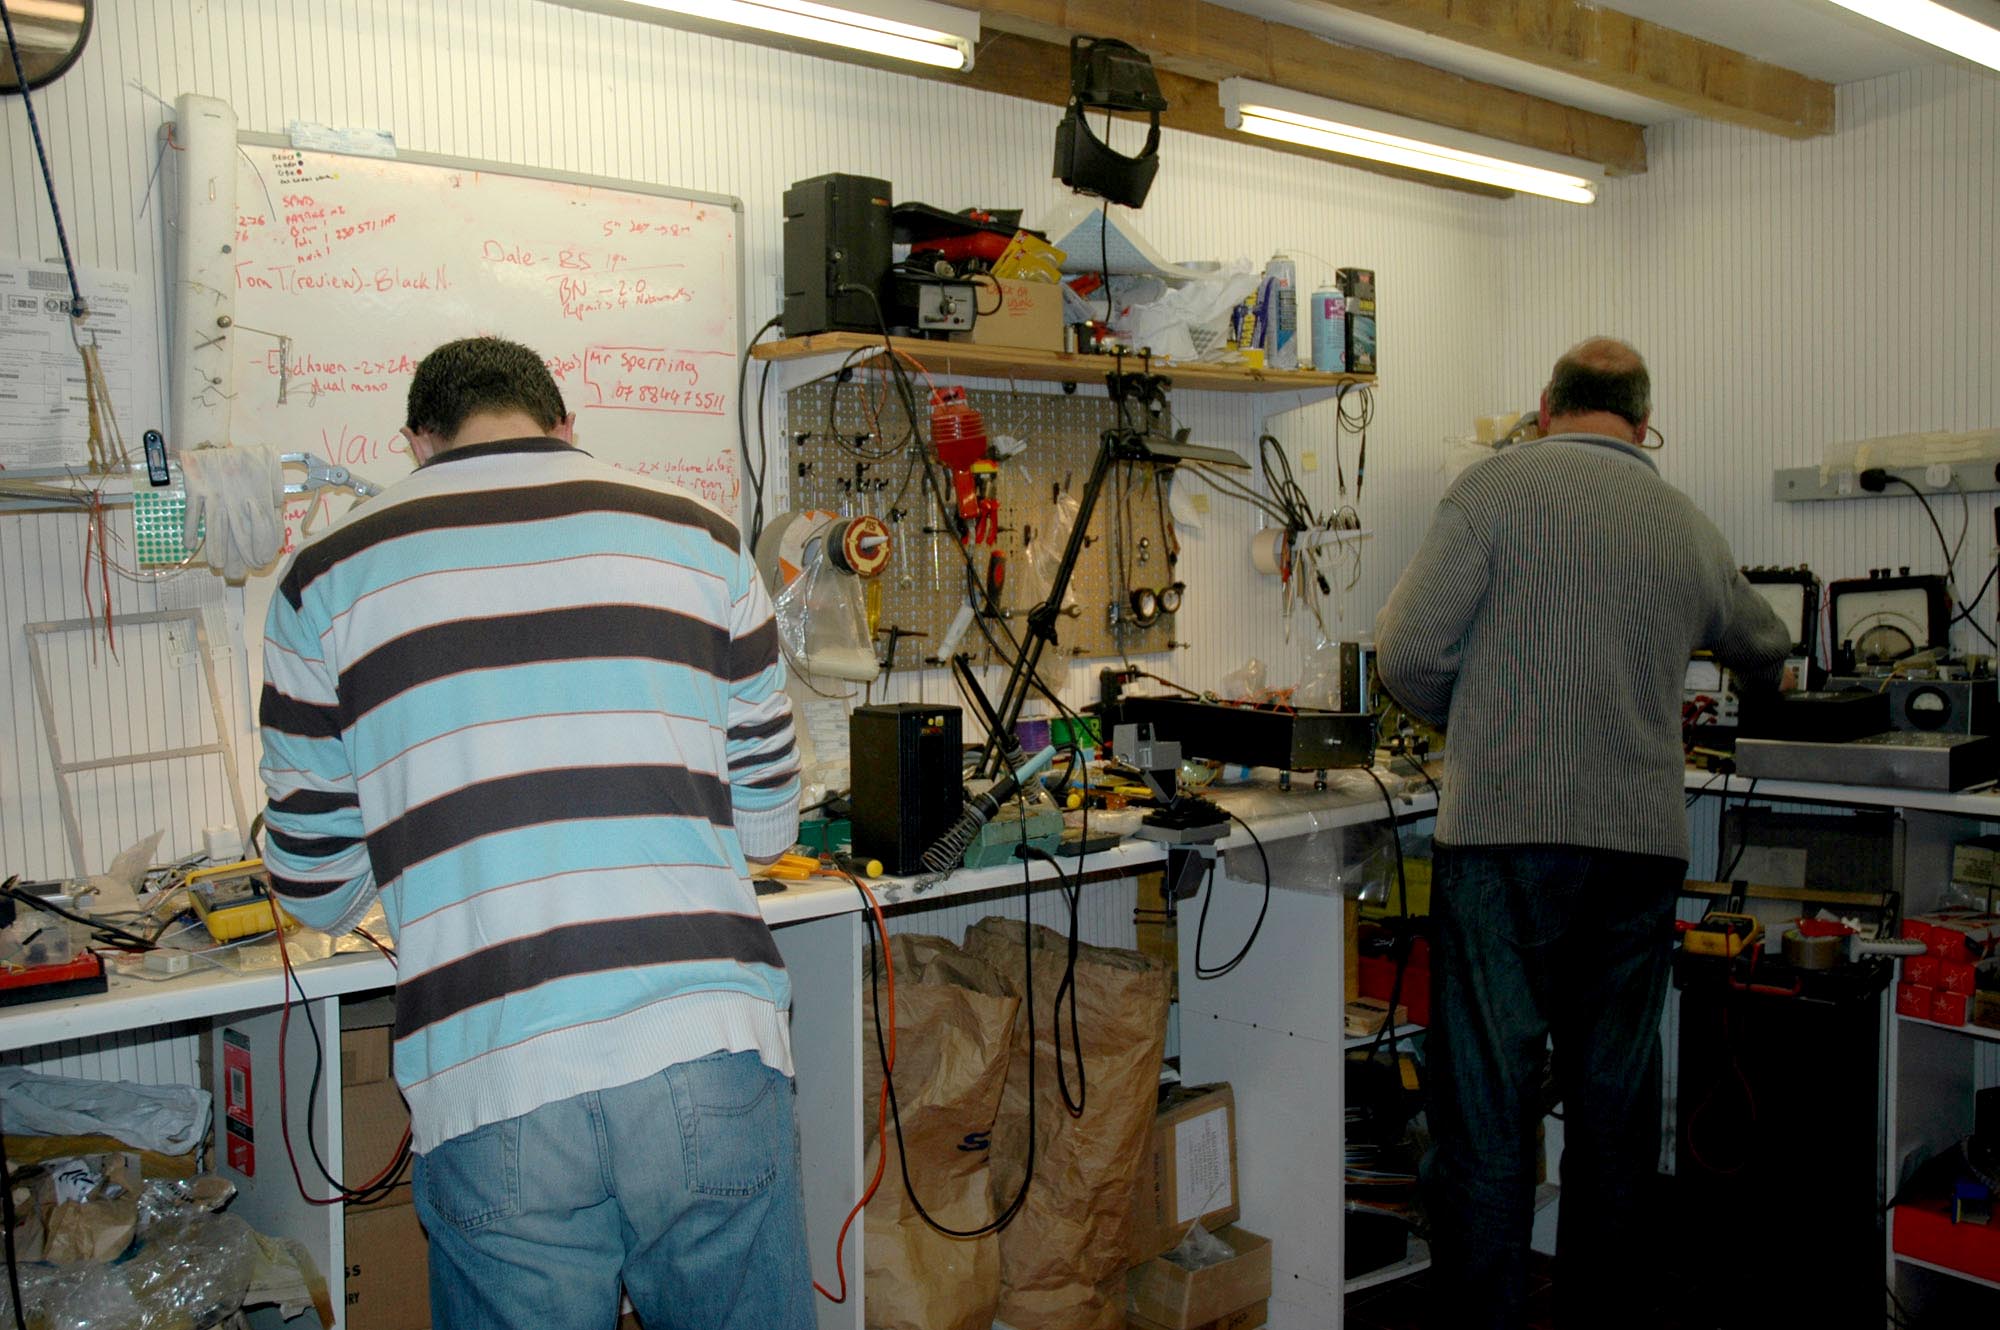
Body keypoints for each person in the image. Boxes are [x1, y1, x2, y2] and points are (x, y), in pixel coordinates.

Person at [258, 336, 812, 1330]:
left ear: (419, 443)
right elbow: (769, 825)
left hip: (494, 1073)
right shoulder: (699, 534)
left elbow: (318, 893)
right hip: (708, 1041)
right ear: (563, 425)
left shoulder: (324, 575)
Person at [1374, 338, 1789, 1330]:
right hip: (1637, 848)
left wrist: (1474, 722)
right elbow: (1765, 641)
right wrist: (1749, 689)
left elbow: (1406, 653)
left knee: (1488, 1109)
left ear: (1545, 405)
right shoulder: (1683, 521)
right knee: (1611, 1111)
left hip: (1503, 838)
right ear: (1643, 425)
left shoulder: (1489, 491)